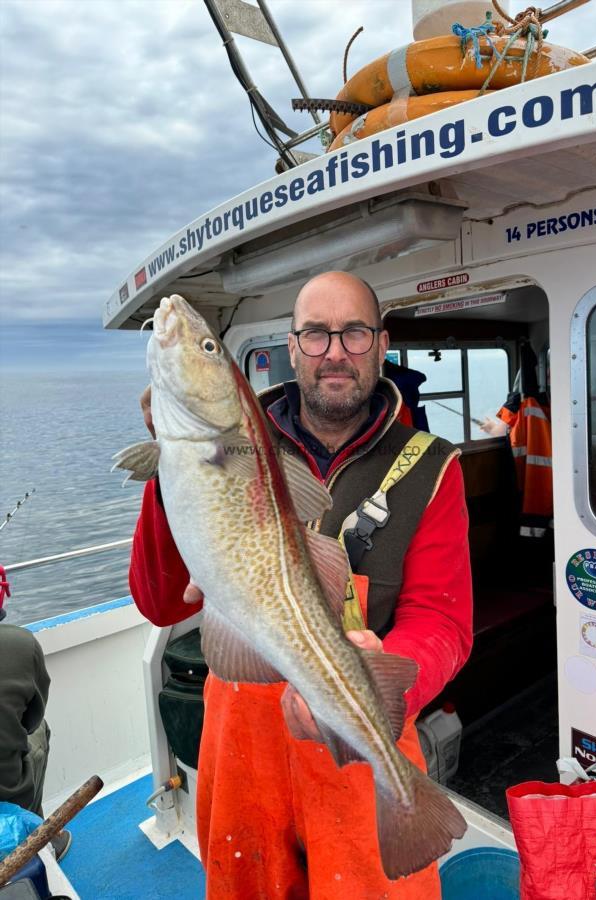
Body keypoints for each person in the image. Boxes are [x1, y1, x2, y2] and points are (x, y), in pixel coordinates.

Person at [130, 271, 473, 898]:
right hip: (242, 754)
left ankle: (403, 794)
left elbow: (443, 621)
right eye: (315, 335)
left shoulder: (431, 465)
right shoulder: (236, 442)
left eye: (354, 333)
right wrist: (168, 467)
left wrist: (393, 666)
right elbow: (157, 601)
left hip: (356, 739)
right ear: (291, 347)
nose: (335, 352)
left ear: (382, 343)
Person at [0, 590, 71, 861]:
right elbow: (32, 720)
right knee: (41, 730)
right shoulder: (20, 643)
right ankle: (39, 840)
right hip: (7, 793)